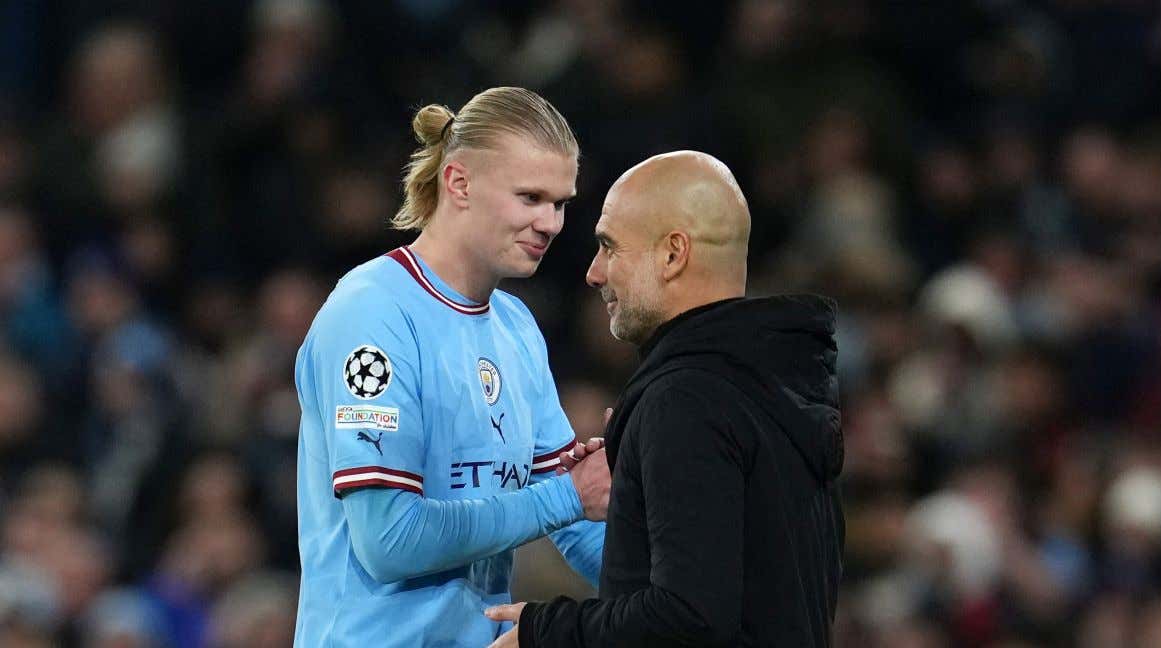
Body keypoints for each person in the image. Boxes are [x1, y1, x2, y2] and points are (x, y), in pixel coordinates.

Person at [293, 87, 610, 647]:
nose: (551, 223)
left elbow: (578, 522)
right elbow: (388, 539)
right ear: (459, 183)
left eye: (560, 203)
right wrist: (567, 497)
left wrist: (679, 599)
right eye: (531, 197)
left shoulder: (515, 327)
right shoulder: (373, 312)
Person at [486, 151, 845, 647]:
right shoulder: (775, 389)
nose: (594, 273)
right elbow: (747, 591)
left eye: (610, 248)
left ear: (674, 254)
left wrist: (544, 633)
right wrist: (638, 501)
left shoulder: (684, 400)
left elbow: (688, 616)